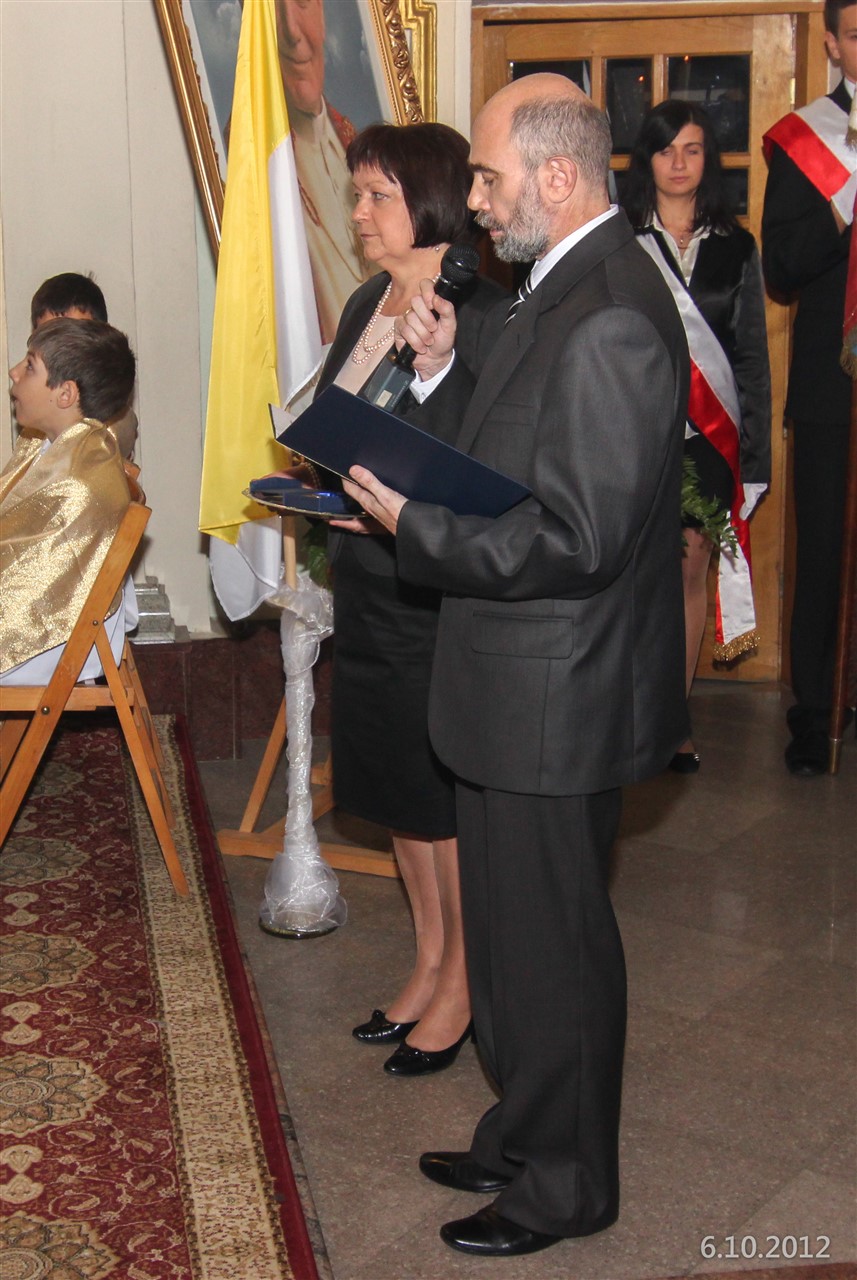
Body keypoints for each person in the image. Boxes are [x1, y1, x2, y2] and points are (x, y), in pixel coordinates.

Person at [343, 74, 689, 1256]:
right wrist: (444, 371)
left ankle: (566, 1181)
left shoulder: (612, 311)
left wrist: (415, 530)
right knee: (506, 936)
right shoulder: (559, 282)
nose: (476, 202)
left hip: (557, 690)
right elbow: (514, 449)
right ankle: (520, 1126)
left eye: (487, 178)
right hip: (509, 682)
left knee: (551, 949)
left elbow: (577, 537)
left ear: (555, 174)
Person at [315, 123, 507, 1076]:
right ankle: (428, 961)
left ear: (429, 199)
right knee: (397, 789)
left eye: (375, 195)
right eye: (356, 193)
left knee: (441, 798)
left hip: (433, 587)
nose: (358, 212)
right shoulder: (367, 299)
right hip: (367, 575)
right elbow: (344, 420)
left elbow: (478, 445)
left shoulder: (482, 306)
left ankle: (465, 982)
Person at [622, 100, 771, 772]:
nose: (678, 163)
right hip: (634, 431)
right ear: (646, 160)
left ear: (707, 159)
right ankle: (625, 715)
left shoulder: (736, 247)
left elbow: (751, 359)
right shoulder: (620, 239)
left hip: (707, 438)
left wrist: (755, 455)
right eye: (665, 150)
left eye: (691, 149)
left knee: (688, 568)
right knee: (633, 574)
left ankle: (673, 724)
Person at [762, 0, 857, 776]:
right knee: (823, 551)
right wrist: (844, 205)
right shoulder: (805, 140)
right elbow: (782, 268)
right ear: (831, 43)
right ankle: (814, 710)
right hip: (834, 382)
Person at [1, 319, 137, 685]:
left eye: (30, 366)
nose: (14, 372)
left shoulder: (78, 482)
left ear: (65, 394)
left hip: (51, 643)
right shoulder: (52, 444)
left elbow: (28, 591)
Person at [275, 0, 372, 344]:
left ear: (322, 13)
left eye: (302, 4)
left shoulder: (351, 139)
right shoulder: (255, 166)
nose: (292, 32)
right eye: (273, 9)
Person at [29, 272, 138, 461]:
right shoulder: (33, 421)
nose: (63, 351)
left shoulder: (114, 424)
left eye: (76, 338)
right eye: (50, 339)